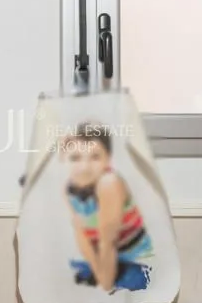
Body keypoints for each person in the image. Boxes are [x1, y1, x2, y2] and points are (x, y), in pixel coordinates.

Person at [60, 122, 153, 292]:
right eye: (75, 158)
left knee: (113, 288)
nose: (85, 167)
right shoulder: (69, 189)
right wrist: (97, 272)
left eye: (95, 157)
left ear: (108, 159)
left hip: (134, 261)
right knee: (74, 275)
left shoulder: (108, 183)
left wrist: (105, 286)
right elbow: (82, 235)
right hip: (104, 260)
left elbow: (108, 242)